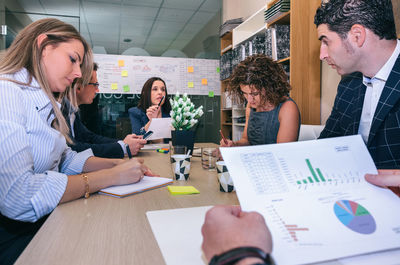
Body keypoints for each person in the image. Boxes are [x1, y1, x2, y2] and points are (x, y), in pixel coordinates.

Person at [0, 18, 155, 264]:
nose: (76, 74)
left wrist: (117, 166)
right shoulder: (6, 93)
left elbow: (65, 158)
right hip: (15, 242)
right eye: (73, 59)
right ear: (43, 46)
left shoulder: (46, 100)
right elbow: (19, 197)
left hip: (45, 223)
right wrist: (111, 176)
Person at [315, 0, 400, 169]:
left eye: (326, 41)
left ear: (357, 36)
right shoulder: (348, 84)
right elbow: (326, 147)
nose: (322, 55)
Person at [62, 63, 147, 158]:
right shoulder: (61, 111)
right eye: (95, 85)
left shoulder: (72, 110)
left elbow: (89, 137)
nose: (97, 90)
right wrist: (122, 147)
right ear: (79, 87)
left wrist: (123, 143)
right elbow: (73, 148)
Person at [220, 54, 300, 148]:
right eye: (245, 93)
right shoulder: (250, 106)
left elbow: (282, 153)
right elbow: (246, 141)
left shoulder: (287, 108)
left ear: (269, 87)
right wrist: (234, 145)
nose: (249, 99)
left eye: (254, 94)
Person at [128, 77, 171, 143]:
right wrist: (152, 121)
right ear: (145, 93)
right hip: (146, 152)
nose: (160, 92)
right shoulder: (135, 112)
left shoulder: (171, 113)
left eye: (163, 90)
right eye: (155, 89)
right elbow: (137, 139)